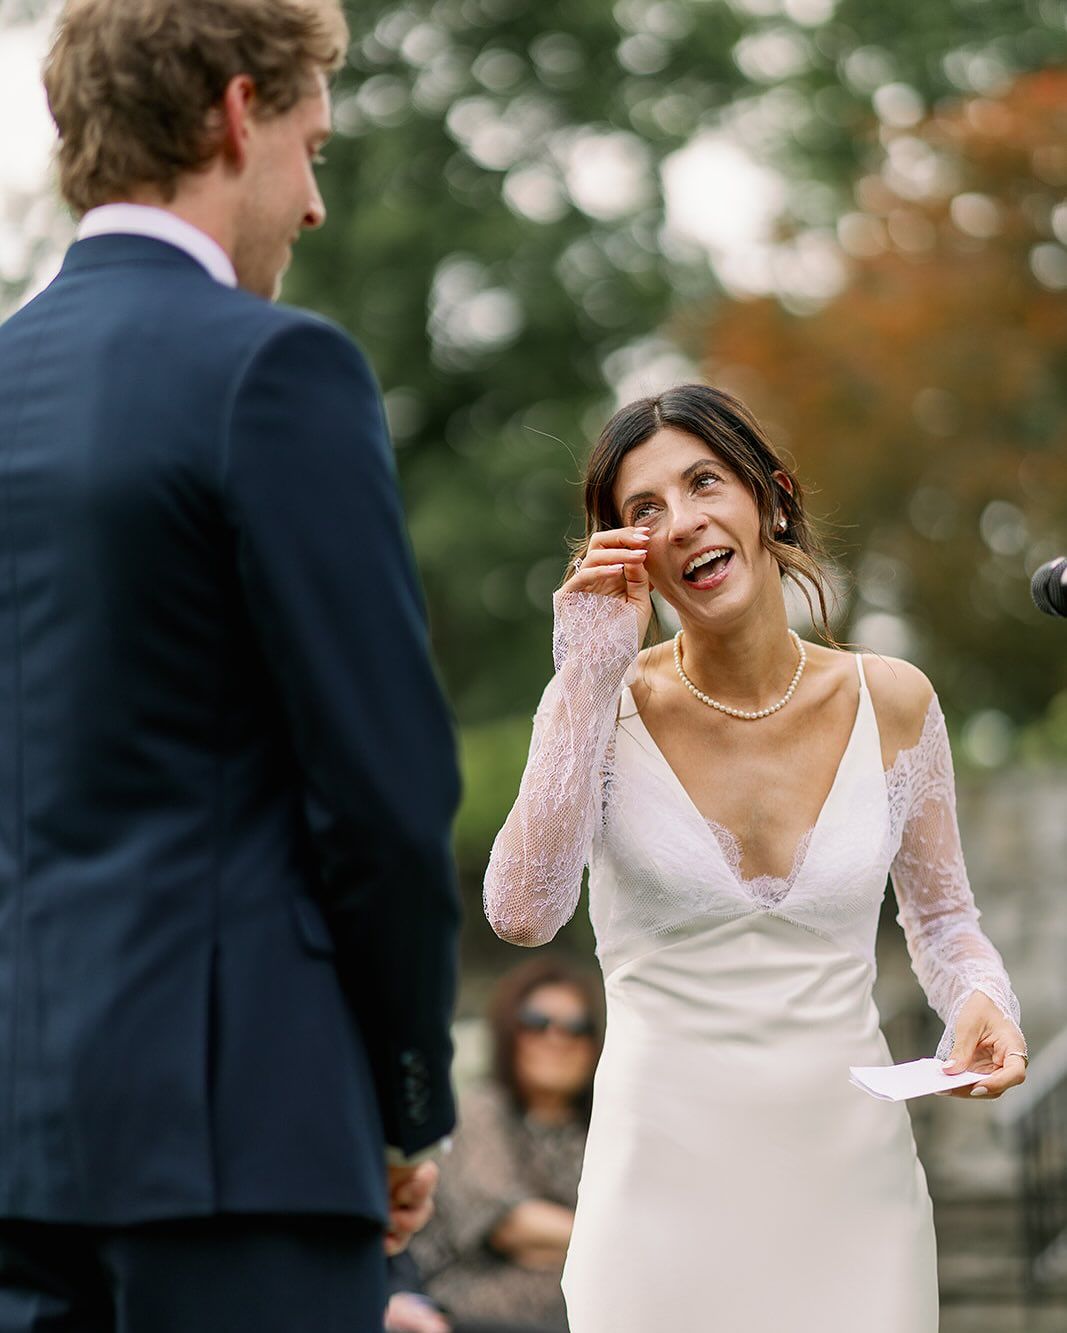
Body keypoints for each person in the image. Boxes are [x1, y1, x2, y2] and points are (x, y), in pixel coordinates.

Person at [0, 2, 460, 1330]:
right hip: (236, 1139)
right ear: (236, 110)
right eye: (312, 146)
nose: (314, 203)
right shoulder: (276, 371)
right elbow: (380, 791)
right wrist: (403, 1102)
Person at [484, 384, 1028, 1332]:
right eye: (642, 510)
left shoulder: (894, 701)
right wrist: (583, 672)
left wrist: (982, 999)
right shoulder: (596, 711)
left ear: (768, 498)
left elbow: (943, 922)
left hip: (851, 1186)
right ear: (623, 551)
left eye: (703, 483)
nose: (682, 521)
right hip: (657, 1186)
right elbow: (522, 913)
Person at [390, 958, 601, 1333]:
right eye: (538, 1023)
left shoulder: (599, 1129)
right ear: (510, 1032)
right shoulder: (482, 1111)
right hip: (472, 1311)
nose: (557, 1039)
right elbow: (508, 1223)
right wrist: (610, 1242)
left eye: (576, 1027)